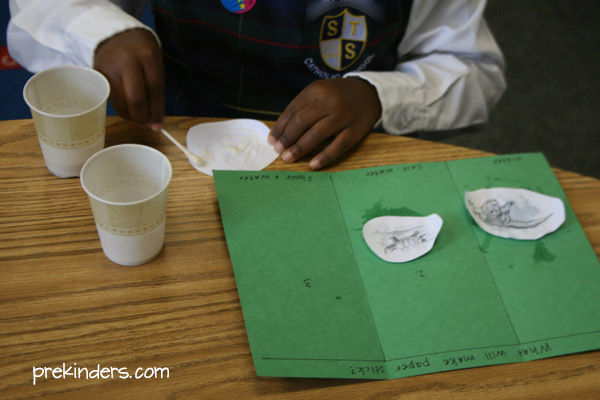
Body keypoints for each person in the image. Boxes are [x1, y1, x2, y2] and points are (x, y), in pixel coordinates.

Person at [8, 0, 505, 170]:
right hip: (178, 145)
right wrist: (99, 31)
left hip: (343, 161)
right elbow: (37, 13)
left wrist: (379, 94)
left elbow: (475, 71)